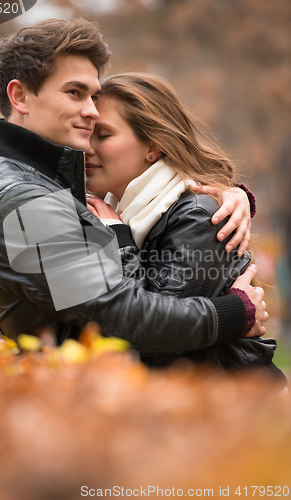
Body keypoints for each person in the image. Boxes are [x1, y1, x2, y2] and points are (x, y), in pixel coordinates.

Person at [0, 19, 266, 358]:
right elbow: (126, 318)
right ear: (20, 96)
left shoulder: (45, 185)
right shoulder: (26, 200)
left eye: (93, 96)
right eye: (74, 93)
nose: (91, 111)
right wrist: (237, 312)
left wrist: (231, 193)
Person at [85, 72, 285, 385]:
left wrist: (119, 240)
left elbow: (149, 337)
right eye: (88, 134)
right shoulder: (115, 211)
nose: (87, 147)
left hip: (239, 404)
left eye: (104, 135)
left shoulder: (196, 217)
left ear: (152, 145)